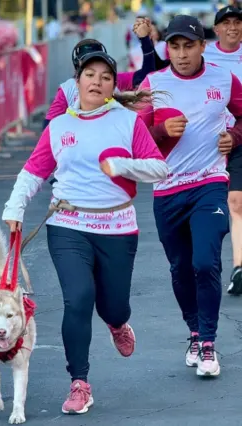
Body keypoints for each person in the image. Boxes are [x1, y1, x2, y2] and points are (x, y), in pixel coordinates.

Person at [2, 51, 168, 414]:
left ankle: (118, 322)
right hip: (68, 225)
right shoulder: (60, 126)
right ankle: (80, 383)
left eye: (106, 77)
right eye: (89, 75)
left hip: (117, 227)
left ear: (113, 86)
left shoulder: (127, 122)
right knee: (78, 299)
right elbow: (33, 172)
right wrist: (14, 208)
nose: (97, 81)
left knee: (114, 304)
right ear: (76, 82)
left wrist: (122, 165)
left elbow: (159, 169)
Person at [138, 15, 242, 377]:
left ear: (203, 46)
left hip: (210, 183)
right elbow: (136, 140)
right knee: (181, 269)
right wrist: (161, 130)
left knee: (204, 262)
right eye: (175, 46)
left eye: (189, 46)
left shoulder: (223, 79)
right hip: (167, 189)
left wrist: (235, 138)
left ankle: (210, 344)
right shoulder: (153, 83)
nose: (181, 54)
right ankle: (195, 333)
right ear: (167, 48)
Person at [44, 17, 155, 127]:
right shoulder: (67, 89)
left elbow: (146, 74)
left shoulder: (112, 80)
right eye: (90, 72)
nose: (96, 82)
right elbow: (49, 129)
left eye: (103, 74)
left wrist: (145, 40)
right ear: (77, 74)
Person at [203, 6, 242, 295]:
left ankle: (239, 267)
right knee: (209, 205)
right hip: (208, 141)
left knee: (236, 202)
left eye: (238, 22)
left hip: (239, 135)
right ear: (216, 29)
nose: (232, 27)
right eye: (226, 23)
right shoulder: (203, 56)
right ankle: (202, 263)